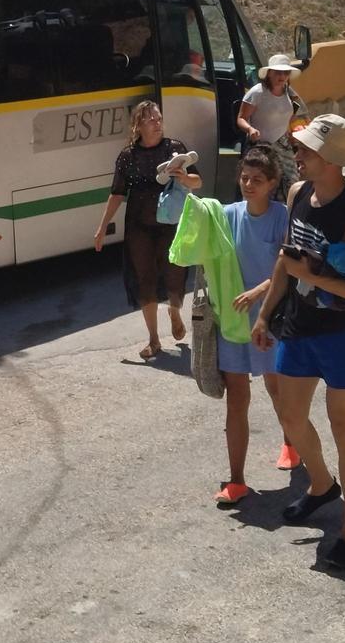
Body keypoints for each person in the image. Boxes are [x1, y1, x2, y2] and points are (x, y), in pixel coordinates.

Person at [251, 115, 345, 572]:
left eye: (306, 150)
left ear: (332, 158)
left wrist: (310, 276)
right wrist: (267, 312)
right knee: (290, 415)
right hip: (299, 325)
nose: (297, 156)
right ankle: (320, 485)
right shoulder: (296, 195)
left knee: (343, 427)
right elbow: (285, 260)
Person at [204, 146, 296, 503]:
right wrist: (185, 183)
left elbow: (288, 267)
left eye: (257, 180)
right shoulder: (227, 215)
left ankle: (292, 443)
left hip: (270, 318)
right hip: (232, 322)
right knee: (236, 399)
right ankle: (237, 480)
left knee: (278, 391)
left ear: (272, 183)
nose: (248, 184)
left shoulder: (282, 217)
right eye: (244, 177)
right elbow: (193, 217)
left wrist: (258, 292)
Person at [93, 101, 189, 362]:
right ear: (138, 126)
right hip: (138, 224)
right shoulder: (128, 156)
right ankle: (154, 340)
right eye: (151, 120)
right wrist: (102, 227)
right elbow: (117, 193)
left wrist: (184, 177)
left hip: (169, 222)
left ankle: (175, 311)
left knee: (174, 272)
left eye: (159, 119)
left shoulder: (175, 149)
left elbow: (196, 181)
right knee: (144, 278)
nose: (157, 124)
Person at [237, 56, 304, 189]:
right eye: (278, 72)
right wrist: (250, 130)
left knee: (292, 182)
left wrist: (293, 136)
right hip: (261, 147)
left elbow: (290, 117)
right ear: (269, 73)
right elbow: (241, 118)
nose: (282, 76)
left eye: (286, 73)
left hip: (284, 146)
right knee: (261, 184)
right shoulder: (257, 93)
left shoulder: (289, 93)